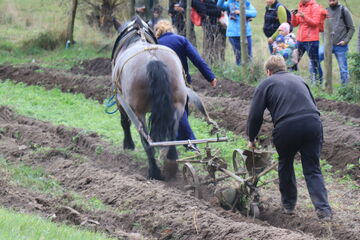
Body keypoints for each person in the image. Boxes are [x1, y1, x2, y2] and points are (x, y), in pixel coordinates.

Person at [246, 55, 332, 220]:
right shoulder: (299, 79)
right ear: (284, 68)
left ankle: (289, 206)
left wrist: (252, 137)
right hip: (313, 123)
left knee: (285, 163)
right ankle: (324, 211)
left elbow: (255, 116)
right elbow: (312, 103)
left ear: (268, 72)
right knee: (313, 168)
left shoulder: (266, 84)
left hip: (287, 127)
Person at [154, 20, 217, 149]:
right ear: (171, 29)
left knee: (180, 112)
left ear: (157, 31)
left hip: (161, 83)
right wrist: (210, 77)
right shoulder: (181, 40)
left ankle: (185, 140)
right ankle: (189, 142)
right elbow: (197, 60)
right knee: (181, 110)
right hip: (182, 82)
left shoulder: (155, 44)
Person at [291, 0, 325, 85]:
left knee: (315, 63)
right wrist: (293, 16)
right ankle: (295, 82)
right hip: (300, 40)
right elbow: (295, 24)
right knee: (293, 61)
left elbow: (315, 23)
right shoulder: (301, 6)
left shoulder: (315, 6)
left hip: (312, 40)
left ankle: (318, 84)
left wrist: (303, 16)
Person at [217, 0, 257, 65]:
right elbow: (219, 5)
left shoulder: (246, 2)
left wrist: (241, 12)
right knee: (238, 56)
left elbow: (254, 13)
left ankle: (249, 72)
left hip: (246, 33)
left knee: (248, 56)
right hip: (233, 34)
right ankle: (240, 72)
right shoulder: (230, 2)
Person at [326, 0, 355, 85]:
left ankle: (344, 89)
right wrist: (325, 41)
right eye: (330, 0)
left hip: (341, 46)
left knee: (343, 69)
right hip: (328, 46)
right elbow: (322, 28)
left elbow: (352, 28)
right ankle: (317, 83)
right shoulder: (326, 11)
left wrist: (345, 41)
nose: (331, 2)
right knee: (314, 60)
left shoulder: (343, 10)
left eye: (333, 0)